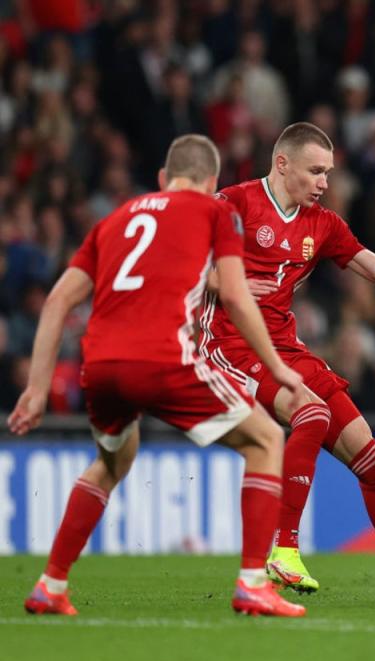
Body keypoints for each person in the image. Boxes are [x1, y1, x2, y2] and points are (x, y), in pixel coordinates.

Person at [9, 134, 308, 618]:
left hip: (101, 367)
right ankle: (254, 582)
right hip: (165, 359)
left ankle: (51, 583)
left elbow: (58, 300)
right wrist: (276, 366)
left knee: (112, 460)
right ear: (212, 182)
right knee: (266, 440)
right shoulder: (216, 212)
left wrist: (37, 389)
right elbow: (234, 295)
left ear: (163, 180)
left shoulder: (114, 220)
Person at [199, 122, 375, 602]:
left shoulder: (322, 224)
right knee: (311, 411)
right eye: (316, 171)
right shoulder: (234, 204)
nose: (325, 182)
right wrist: (231, 284)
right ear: (282, 164)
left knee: (371, 456)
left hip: (284, 346)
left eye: (328, 172)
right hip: (230, 343)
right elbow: (189, 267)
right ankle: (282, 550)